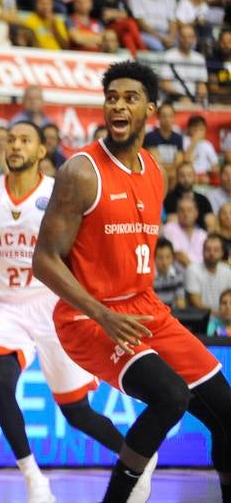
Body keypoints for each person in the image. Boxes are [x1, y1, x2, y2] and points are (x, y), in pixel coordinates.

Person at [34, 62, 229, 503]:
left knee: (227, 413)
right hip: (88, 317)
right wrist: (102, 314)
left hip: (144, 308)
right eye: (112, 98)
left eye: (130, 98)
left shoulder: (156, 170)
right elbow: (43, 261)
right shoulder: (82, 171)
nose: (118, 105)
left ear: (150, 110)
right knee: (170, 396)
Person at [0, 120, 125, 503]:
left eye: (25, 140)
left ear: (41, 151)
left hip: (53, 304)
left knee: (77, 412)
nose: (15, 146)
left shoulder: (58, 193)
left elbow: (80, 252)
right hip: (6, 306)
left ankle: (135, 456)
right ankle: (33, 477)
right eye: (11, 140)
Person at [185, 234, 231, 314]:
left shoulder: (228, 271)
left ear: (222, 253)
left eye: (216, 250)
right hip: (201, 318)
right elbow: (196, 304)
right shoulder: (192, 269)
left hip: (225, 317)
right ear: (202, 251)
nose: (212, 253)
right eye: (208, 249)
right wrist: (220, 315)